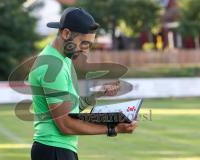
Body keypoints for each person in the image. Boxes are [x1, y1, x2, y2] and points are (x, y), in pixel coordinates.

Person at [29, 7, 138, 160]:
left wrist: (98, 93)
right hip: (53, 150)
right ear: (66, 33)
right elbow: (65, 124)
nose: (86, 51)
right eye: (83, 43)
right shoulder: (52, 66)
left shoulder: (63, 60)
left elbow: (72, 107)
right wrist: (113, 127)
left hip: (58, 150)